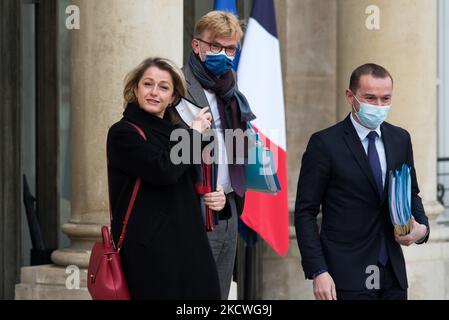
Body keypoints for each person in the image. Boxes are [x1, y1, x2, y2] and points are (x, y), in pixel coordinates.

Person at [294, 63, 430, 300]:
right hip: (345, 277)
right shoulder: (325, 144)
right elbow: (305, 212)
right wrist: (319, 270)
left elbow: (411, 193)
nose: (378, 106)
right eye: (370, 98)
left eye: (385, 99)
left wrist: (422, 228)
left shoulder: (400, 139)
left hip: (392, 275)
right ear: (350, 96)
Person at [106, 57, 226, 299]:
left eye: (163, 87)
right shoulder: (123, 133)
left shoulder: (178, 135)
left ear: (172, 98)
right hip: (149, 254)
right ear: (135, 90)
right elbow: (164, 170)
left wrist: (217, 198)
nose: (154, 92)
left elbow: (191, 188)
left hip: (190, 248)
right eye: (147, 84)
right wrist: (193, 134)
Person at [182, 11, 256, 299]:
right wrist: (198, 192)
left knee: (220, 294)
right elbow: (170, 156)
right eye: (215, 47)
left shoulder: (229, 87)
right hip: (194, 211)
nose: (223, 55)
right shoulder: (176, 87)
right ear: (196, 45)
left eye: (230, 49)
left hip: (228, 206)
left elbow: (233, 148)